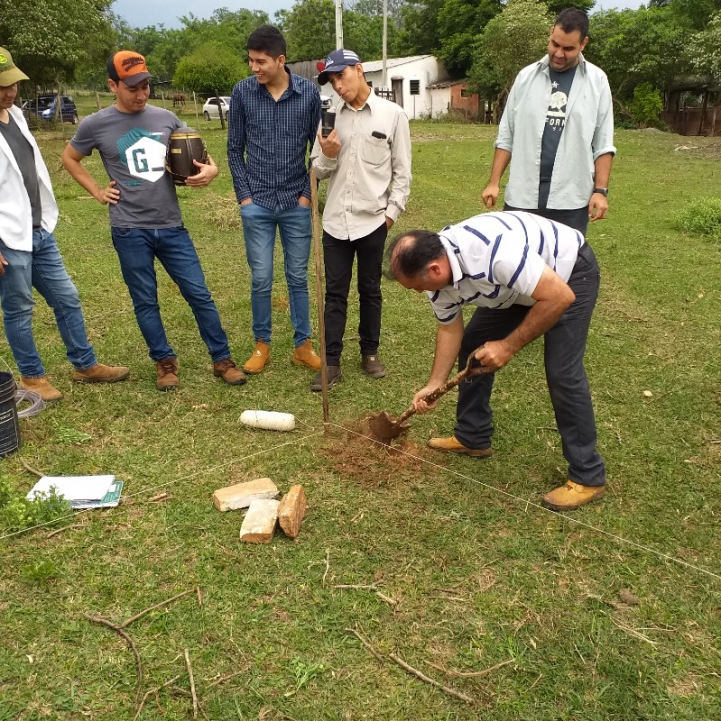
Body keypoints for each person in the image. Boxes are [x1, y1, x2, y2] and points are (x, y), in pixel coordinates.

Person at [386, 210, 606, 511]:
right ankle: (472, 435)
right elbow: (450, 329)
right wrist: (435, 384)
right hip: (514, 290)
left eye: (417, 286)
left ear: (435, 270)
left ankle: (587, 476)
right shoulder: (439, 278)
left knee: (562, 372)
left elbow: (559, 297)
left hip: (566, 277)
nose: (419, 292)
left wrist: (508, 345)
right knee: (473, 345)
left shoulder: (493, 252)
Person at [62, 50, 246, 391]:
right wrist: (98, 191)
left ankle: (222, 360)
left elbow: (204, 157)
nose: (142, 94)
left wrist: (212, 171)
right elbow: (70, 157)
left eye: (145, 85)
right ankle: (165, 363)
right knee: (145, 300)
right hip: (129, 229)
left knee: (199, 294)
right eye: (133, 87)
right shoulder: (95, 124)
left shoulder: (166, 118)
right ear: (112, 85)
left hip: (172, 226)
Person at [0, 47, 129, 402]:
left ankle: (84, 364)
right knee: (20, 307)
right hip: (8, 237)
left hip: (39, 228)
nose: (10, 92)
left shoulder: (17, 115)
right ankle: (31, 376)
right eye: (2, 86)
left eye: (12, 83)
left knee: (67, 298)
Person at [309, 49, 412, 391]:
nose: (338, 86)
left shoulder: (393, 115)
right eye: (332, 80)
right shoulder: (328, 117)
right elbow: (317, 172)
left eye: (342, 76)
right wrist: (328, 153)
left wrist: (390, 215)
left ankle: (370, 353)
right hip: (335, 222)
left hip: (373, 222)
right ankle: (332, 363)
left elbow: (402, 173)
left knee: (370, 290)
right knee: (335, 293)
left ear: (359, 70)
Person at [228, 25, 322, 375]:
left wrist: (307, 196)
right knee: (261, 278)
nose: (254, 67)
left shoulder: (309, 95)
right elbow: (234, 149)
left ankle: (303, 346)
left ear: (281, 60)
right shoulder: (242, 94)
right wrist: (245, 198)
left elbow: (318, 152)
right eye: (250, 61)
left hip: (296, 203)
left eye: (260, 61)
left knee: (298, 277)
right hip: (258, 205)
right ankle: (262, 344)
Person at [481, 8, 615, 236]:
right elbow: (507, 136)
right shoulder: (525, 78)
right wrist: (494, 182)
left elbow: (603, 143)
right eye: (555, 44)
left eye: (568, 48)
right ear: (551, 33)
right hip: (523, 195)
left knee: (562, 265)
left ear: (583, 43)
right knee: (517, 264)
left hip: (570, 198)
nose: (559, 53)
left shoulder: (597, 82)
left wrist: (600, 191)